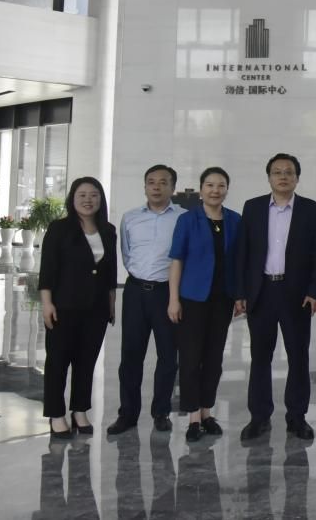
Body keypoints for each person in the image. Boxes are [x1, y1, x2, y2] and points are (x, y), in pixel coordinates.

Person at [235, 153, 316, 442]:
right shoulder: (252, 208)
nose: (283, 176)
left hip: (296, 294)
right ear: (269, 178)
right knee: (260, 357)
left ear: (297, 178)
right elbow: (242, 252)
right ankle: (259, 417)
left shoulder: (312, 210)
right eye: (277, 172)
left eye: (289, 172)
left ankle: (297, 417)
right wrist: (241, 293)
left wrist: (315, 291)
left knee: (298, 357)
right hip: (261, 292)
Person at [108, 165, 186, 436]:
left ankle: (161, 412)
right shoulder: (130, 218)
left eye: (163, 182)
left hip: (168, 293)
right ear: (144, 187)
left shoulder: (184, 218)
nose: (156, 187)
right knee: (131, 355)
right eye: (151, 182)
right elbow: (127, 254)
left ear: (172, 188)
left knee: (168, 356)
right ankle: (127, 414)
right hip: (135, 292)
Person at [39, 177, 117, 438]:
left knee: (86, 361)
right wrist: (47, 303)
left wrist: (111, 302)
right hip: (64, 306)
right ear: (72, 199)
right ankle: (56, 414)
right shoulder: (59, 229)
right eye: (82, 195)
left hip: (96, 308)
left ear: (100, 199)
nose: (88, 200)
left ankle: (80, 411)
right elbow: (48, 270)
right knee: (58, 362)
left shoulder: (108, 230)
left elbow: (110, 271)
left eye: (93, 195)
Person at [167, 167, 241, 443]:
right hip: (192, 298)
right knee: (190, 359)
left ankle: (207, 412)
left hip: (222, 300)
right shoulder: (188, 220)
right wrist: (173, 299)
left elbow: (240, 261)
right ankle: (193, 417)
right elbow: (177, 261)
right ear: (201, 189)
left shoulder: (235, 220)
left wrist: (239, 295)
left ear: (227, 190)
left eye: (221, 185)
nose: (215, 190)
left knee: (213, 359)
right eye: (210, 185)